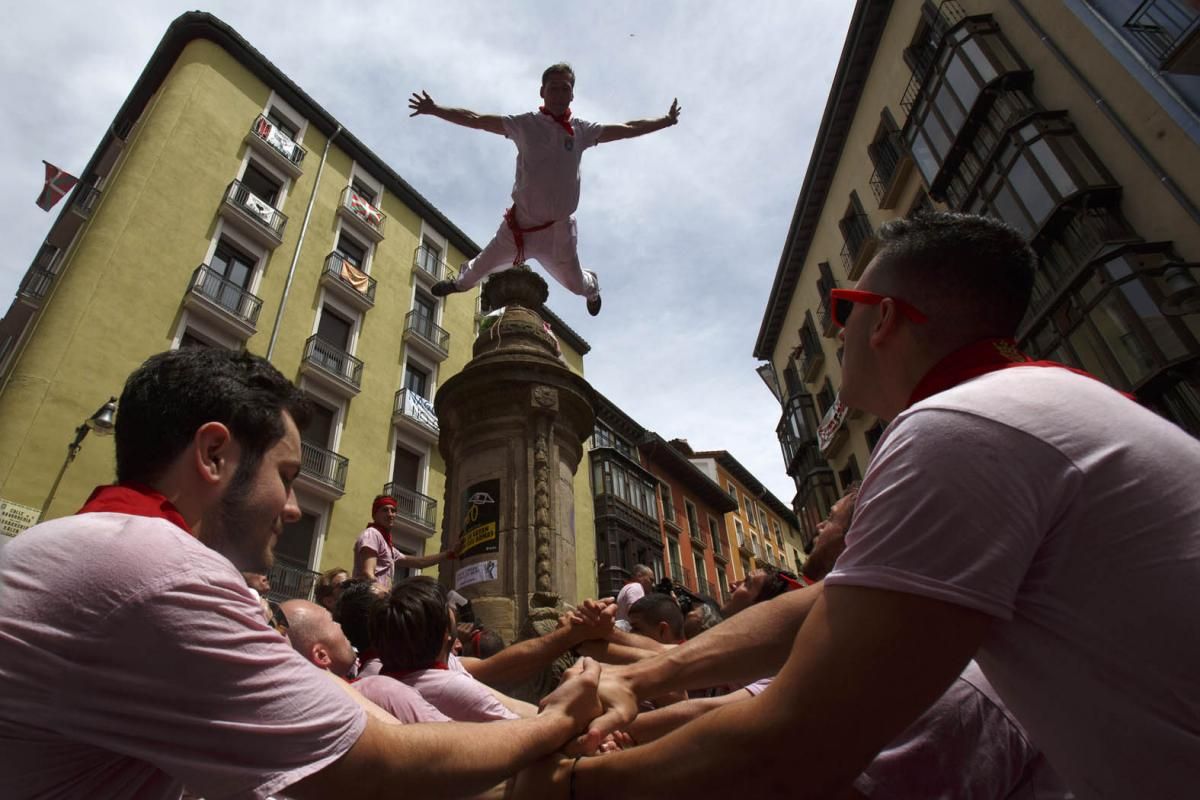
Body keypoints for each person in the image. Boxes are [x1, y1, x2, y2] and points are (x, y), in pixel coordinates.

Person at [517, 212, 1200, 798]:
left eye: (842, 308)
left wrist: (571, 788)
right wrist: (649, 675)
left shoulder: (964, 426)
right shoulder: (1033, 406)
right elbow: (829, 602)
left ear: (886, 321)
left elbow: (799, 740)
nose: (835, 331)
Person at [0, 346, 603, 799]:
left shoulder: (76, 544)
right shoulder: (158, 572)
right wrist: (557, 721)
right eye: (286, 476)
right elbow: (378, 764)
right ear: (214, 456)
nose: (292, 508)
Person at [409, 63, 681, 316]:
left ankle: (593, 287)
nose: (560, 93)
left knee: (577, 285)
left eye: (566, 88)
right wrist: (436, 109)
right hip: (520, 225)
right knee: (473, 274)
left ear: (572, 94)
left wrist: (665, 121)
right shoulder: (524, 125)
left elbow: (627, 128)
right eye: (554, 87)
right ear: (542, 92)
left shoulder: (581, 131)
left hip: (557, 232)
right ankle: (457, 284)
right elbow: (476, 118)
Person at [353, 494, 458, 590]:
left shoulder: (389, 547)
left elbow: (420, 562)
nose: (390, 514)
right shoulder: (372, 534)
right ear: (375, 515)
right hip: (369, 599)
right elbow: (368, 573)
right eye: (385, 510)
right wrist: (386, 595)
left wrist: (448, 554)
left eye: (393, 511)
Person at [614, 564, 654, 630]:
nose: (653, 584)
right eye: (651, 580)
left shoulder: (626, 588)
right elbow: (636, 616)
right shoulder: (637, 587)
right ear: (639, 576)